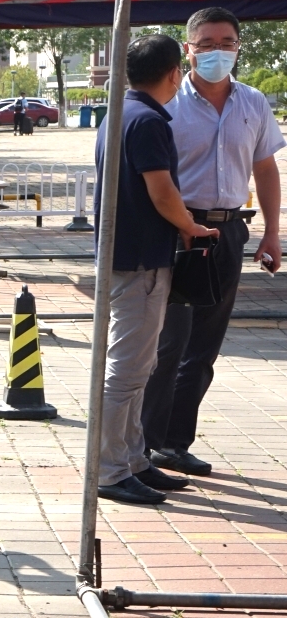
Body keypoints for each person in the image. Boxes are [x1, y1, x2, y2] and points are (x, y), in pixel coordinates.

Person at [142, 7, 285, 476]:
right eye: (206, 44)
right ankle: (144, 445)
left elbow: (265, 168)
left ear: (239, 47)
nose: (216, 52)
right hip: (177, 231)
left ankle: (174, 443)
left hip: (227, 231)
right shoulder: (167, 103)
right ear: (188, 50)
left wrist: (271, 232)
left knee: (203, 348)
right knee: (168, 343)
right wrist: (181, 223)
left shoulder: (253, 103)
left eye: (226, 43)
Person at [93, 34, 220, 506]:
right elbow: (162, 191)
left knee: (140, 367)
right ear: (173, 74)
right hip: (140, 260)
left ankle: (132, 459)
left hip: (131, 256)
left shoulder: (121, 113)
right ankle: (110, 469)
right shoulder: (148, 121)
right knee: (128, 371)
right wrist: (190, 226)